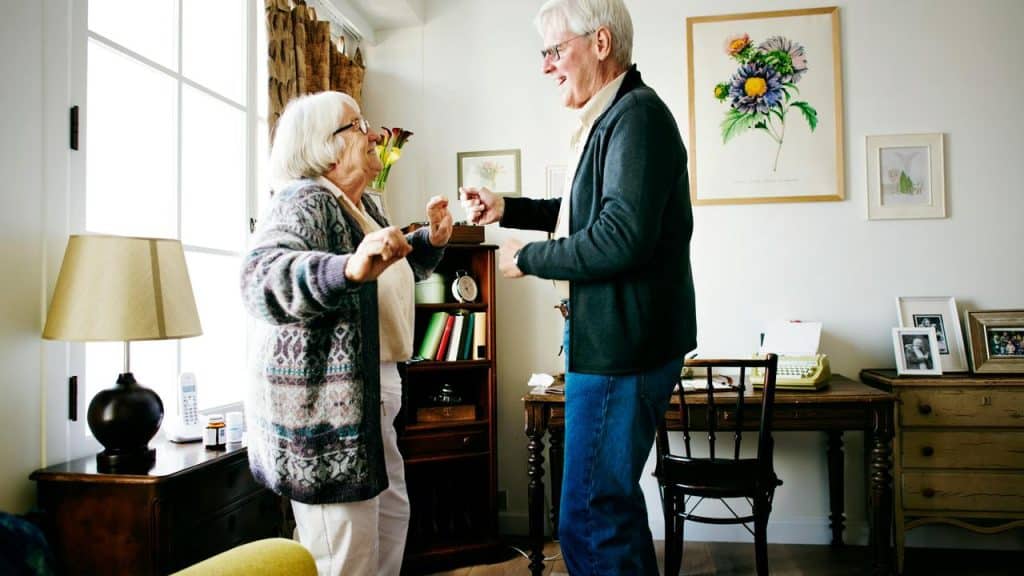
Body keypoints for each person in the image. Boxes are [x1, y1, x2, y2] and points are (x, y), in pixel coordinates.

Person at [460, 0, 695, 572]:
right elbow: (583, 212)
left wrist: (531, 259)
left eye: (554, 50)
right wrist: (507, 207)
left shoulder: (636, 118)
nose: (546, 66)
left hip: (625, 350)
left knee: (591, 513)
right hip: (617, 345)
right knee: (606, 508)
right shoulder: (616, 116)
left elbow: (620, 237)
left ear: (600, 43)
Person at [240, 91, 453, 576]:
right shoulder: (304, 201)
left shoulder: (360, 207)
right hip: (328, 418)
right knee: (346, 556)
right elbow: (260, 280)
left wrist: (428, 242)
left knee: (390, 522)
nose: (376, 133)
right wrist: (344, 270)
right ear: (325, 146)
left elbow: (386, 268)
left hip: (373, 399)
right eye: (358, 125)